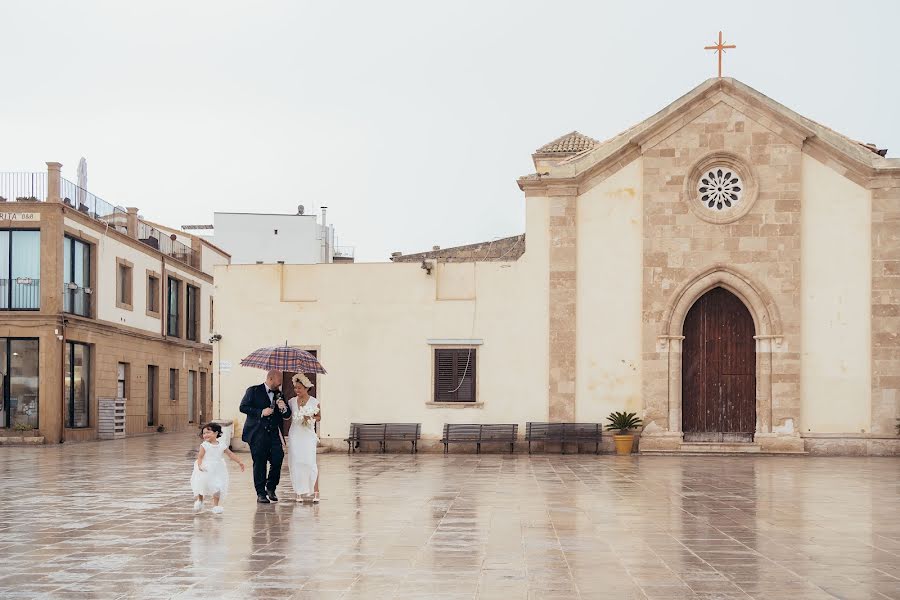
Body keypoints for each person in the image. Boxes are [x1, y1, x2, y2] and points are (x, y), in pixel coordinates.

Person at [240, 370, 292, 503]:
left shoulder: (279, 394)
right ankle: (260, 493)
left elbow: (287, 416)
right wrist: (261, 412)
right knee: (260, 463)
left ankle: (271, 487)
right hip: (257, 434)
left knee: (277, 459)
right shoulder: (253, 390)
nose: (280, 383)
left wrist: (283, 408)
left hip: (274, 434)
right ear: (270, 378)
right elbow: (243, 407)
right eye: (278, 380)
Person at [191, 422, 245, 514]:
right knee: (202, 485)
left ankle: (216, 506)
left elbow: (230, 454)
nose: (205, 435)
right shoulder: (204, 445)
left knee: (218, 486)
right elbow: (200, 457)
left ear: (216, 433)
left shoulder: (221, 445)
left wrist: (239, 462)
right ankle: (200, 500)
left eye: (208, 432)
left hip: (218, 469)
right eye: (204, 433)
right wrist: (200, 465)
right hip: (205, 468)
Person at [287, 373, 321, 503]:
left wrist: (310, 418)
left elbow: (319, 417)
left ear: (306, 388)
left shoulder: (314, 402)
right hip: (295, 434)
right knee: (296, 463)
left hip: (307, 436)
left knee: (310, 462)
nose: (297, 390)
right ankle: (298, 492)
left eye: (299, 388)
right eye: (295, 388)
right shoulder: (291, 402)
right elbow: (286, 414)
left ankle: (316, 491)